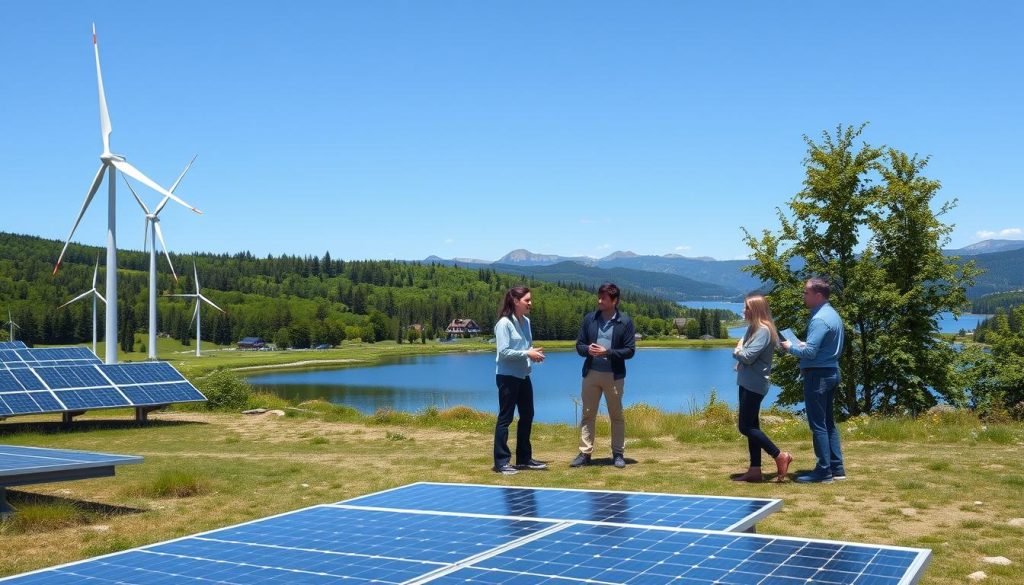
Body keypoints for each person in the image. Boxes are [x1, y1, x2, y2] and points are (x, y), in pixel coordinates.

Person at [780, 277, 846, 483]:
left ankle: (823, 471)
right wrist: (802, 343)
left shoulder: (819, 319)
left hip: (818, 376)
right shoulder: (833, 315)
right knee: (828, 423)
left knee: (818, 424)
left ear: (818, 295)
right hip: (831, 371)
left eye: (806, 293)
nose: (803, 296)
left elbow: (809, 353)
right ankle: (837, 469)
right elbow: (819, 347)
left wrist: (790, 347)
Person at [571, 283, 636, 469]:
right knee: (588, 414)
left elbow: (630, 351)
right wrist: (588, 349)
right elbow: (579, 346)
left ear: (615, 301)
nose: (599, 301)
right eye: (598, 297)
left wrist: (607, 352)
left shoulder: (625, 322)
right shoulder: (590, 319)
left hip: (614, 376)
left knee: (616, 416)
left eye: (604, 298)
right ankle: (585, 454)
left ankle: (618, 454)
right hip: (590, 374)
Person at [731, 293, 792, 483]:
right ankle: (755, 470)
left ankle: (779, 455)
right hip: (746, 381)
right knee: (752, 426)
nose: (743, 310)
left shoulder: (763, 330)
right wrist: (741, 350)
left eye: (746, 308)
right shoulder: (753, 328)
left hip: (754, 384)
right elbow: (745, 350)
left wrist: (737, 351)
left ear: (755, 310)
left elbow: (747, 356)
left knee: (745, 426)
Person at [493, 285, 547, 475]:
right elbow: (504, 352)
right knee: (505, 418)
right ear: (516, 301)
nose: (530, 304)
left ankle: (524, 459)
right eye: (527, 300)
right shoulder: (504, 324)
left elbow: (526, 347)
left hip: (524, 375)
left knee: (527, 415)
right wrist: (527, 353)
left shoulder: (527, 322)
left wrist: (534, 355)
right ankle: (501, 462)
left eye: (530, 300)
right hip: (507, 377)